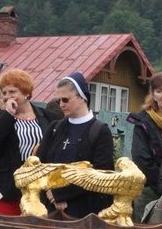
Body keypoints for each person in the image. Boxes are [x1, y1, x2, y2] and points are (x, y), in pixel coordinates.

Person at [0, 69, 61, 215]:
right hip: (8, 189)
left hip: (38, 190)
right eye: (4, 93)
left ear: (26, 92)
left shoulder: (49, 117)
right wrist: (8, 115)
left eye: (12, 92)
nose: (7, 97)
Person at [36, 73, 114, 217]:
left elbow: (101, 173)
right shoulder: (55, 128)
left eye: (65, 99)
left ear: (82, 98)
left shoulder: (100, 131)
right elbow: (40, 165)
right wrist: (52, 195)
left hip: (86, 210)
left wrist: (62, 194)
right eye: (58, 100)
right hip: (52, 206)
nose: (61, 105)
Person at [127, 71, 162, 222]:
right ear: (153, 95)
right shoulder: (143, 122)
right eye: (159, 91)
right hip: (149, 190)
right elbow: (141, 159)